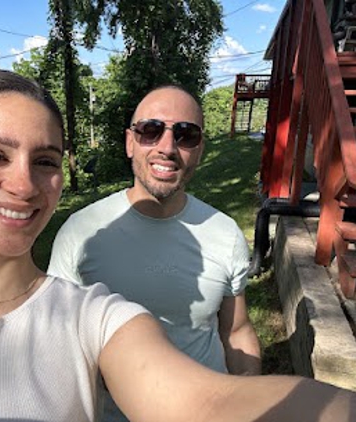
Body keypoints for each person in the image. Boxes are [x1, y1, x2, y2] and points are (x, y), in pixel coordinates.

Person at [0, 70, 356, 422]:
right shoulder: (82, 234)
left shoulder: (95, 315)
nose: (24, 184)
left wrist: (244, 388)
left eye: (44, 161)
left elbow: (210, 396)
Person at [48, 85, 261, 420]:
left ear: (199, 149)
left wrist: (249, 393)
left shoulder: (225, 233)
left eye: (185, 134)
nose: (167, 147)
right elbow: (55, 342)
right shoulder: (81, 233)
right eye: (151, 130)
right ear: (129, 142)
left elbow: (236, 330)